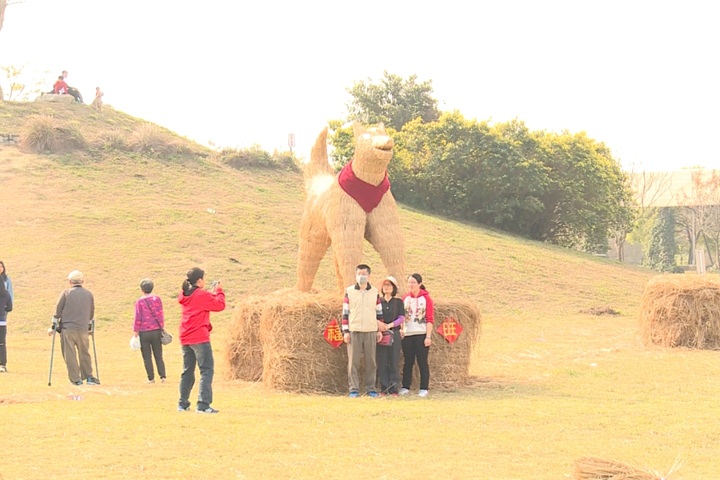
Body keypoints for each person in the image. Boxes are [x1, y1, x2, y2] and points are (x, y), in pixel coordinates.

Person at [178, 267, 225, 413]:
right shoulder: (200, 295)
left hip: (186, 336)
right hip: (199, 337)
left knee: (188, 370)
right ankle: (203, 404)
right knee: (206, 370)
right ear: (199, 280)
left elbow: (200, 299)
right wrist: (219, 291)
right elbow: (219, 305)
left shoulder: (185, 294)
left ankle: (183, 403)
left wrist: (211, 293)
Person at [341, 264, 384, 398]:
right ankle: (354, 389)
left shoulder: (375, 292)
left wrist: (379, 330)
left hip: (371, 330)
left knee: (371, 361)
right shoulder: (349, 291)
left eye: (364, 274)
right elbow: (345, 312)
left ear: (369, 275)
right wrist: (346, 331)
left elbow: (379, 312)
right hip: (354, 331)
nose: (361, 276)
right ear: (356, 275)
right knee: (353, 362)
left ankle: (371, 388)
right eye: (359, 274)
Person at [53, 270, 100, 385]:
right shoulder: (89, 294)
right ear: (82, 281)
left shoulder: (66, 293)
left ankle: (76, 379)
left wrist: (53, 324)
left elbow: (58, 310)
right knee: (85, 353)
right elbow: (91, 312)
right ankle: (88, 376)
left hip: (68, 329)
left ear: (69, 281)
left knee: (70, 355)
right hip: (83, 328)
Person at [400, 273, 434, 397]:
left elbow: (430, 319)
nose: (411, 285)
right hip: (408, 334)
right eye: (409, 282)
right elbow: (402, 317)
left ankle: (424, 388)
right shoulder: (405, 298)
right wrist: (401, 330)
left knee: (422, 362)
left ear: (419, 284)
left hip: (421, 334)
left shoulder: (426, 299)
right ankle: (405, 386)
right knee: (408, 362)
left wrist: (428, 336)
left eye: (413, 282)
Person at [133, 278, 167, 383]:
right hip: (156, 330)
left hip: (144, 332)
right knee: (158, 354)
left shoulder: (140, 302)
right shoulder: (157, 299)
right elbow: (160, 314)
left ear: (142, 289)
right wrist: (161, 326)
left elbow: (138, 317)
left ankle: (151, 378)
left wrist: (136, 331)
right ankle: (163, 376)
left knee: (147, 356)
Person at [376, 276, 404, 395]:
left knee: (394, 360)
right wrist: (380, 327)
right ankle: (384, 387)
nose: (386, 287)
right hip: (380, 334)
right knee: (382, 361)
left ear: (394, 288)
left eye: (389, 285)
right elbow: (374, 316)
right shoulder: (378, 301)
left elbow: (401, 318)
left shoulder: (398, 302)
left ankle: (394, 388)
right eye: (385, 285)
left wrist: (389, 325)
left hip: (394, 333)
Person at [0, 261, 13, 372]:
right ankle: (2, 364)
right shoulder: (6, 294)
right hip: (2, 320)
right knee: (2, 342)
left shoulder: (7, 279)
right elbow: (10, 307)